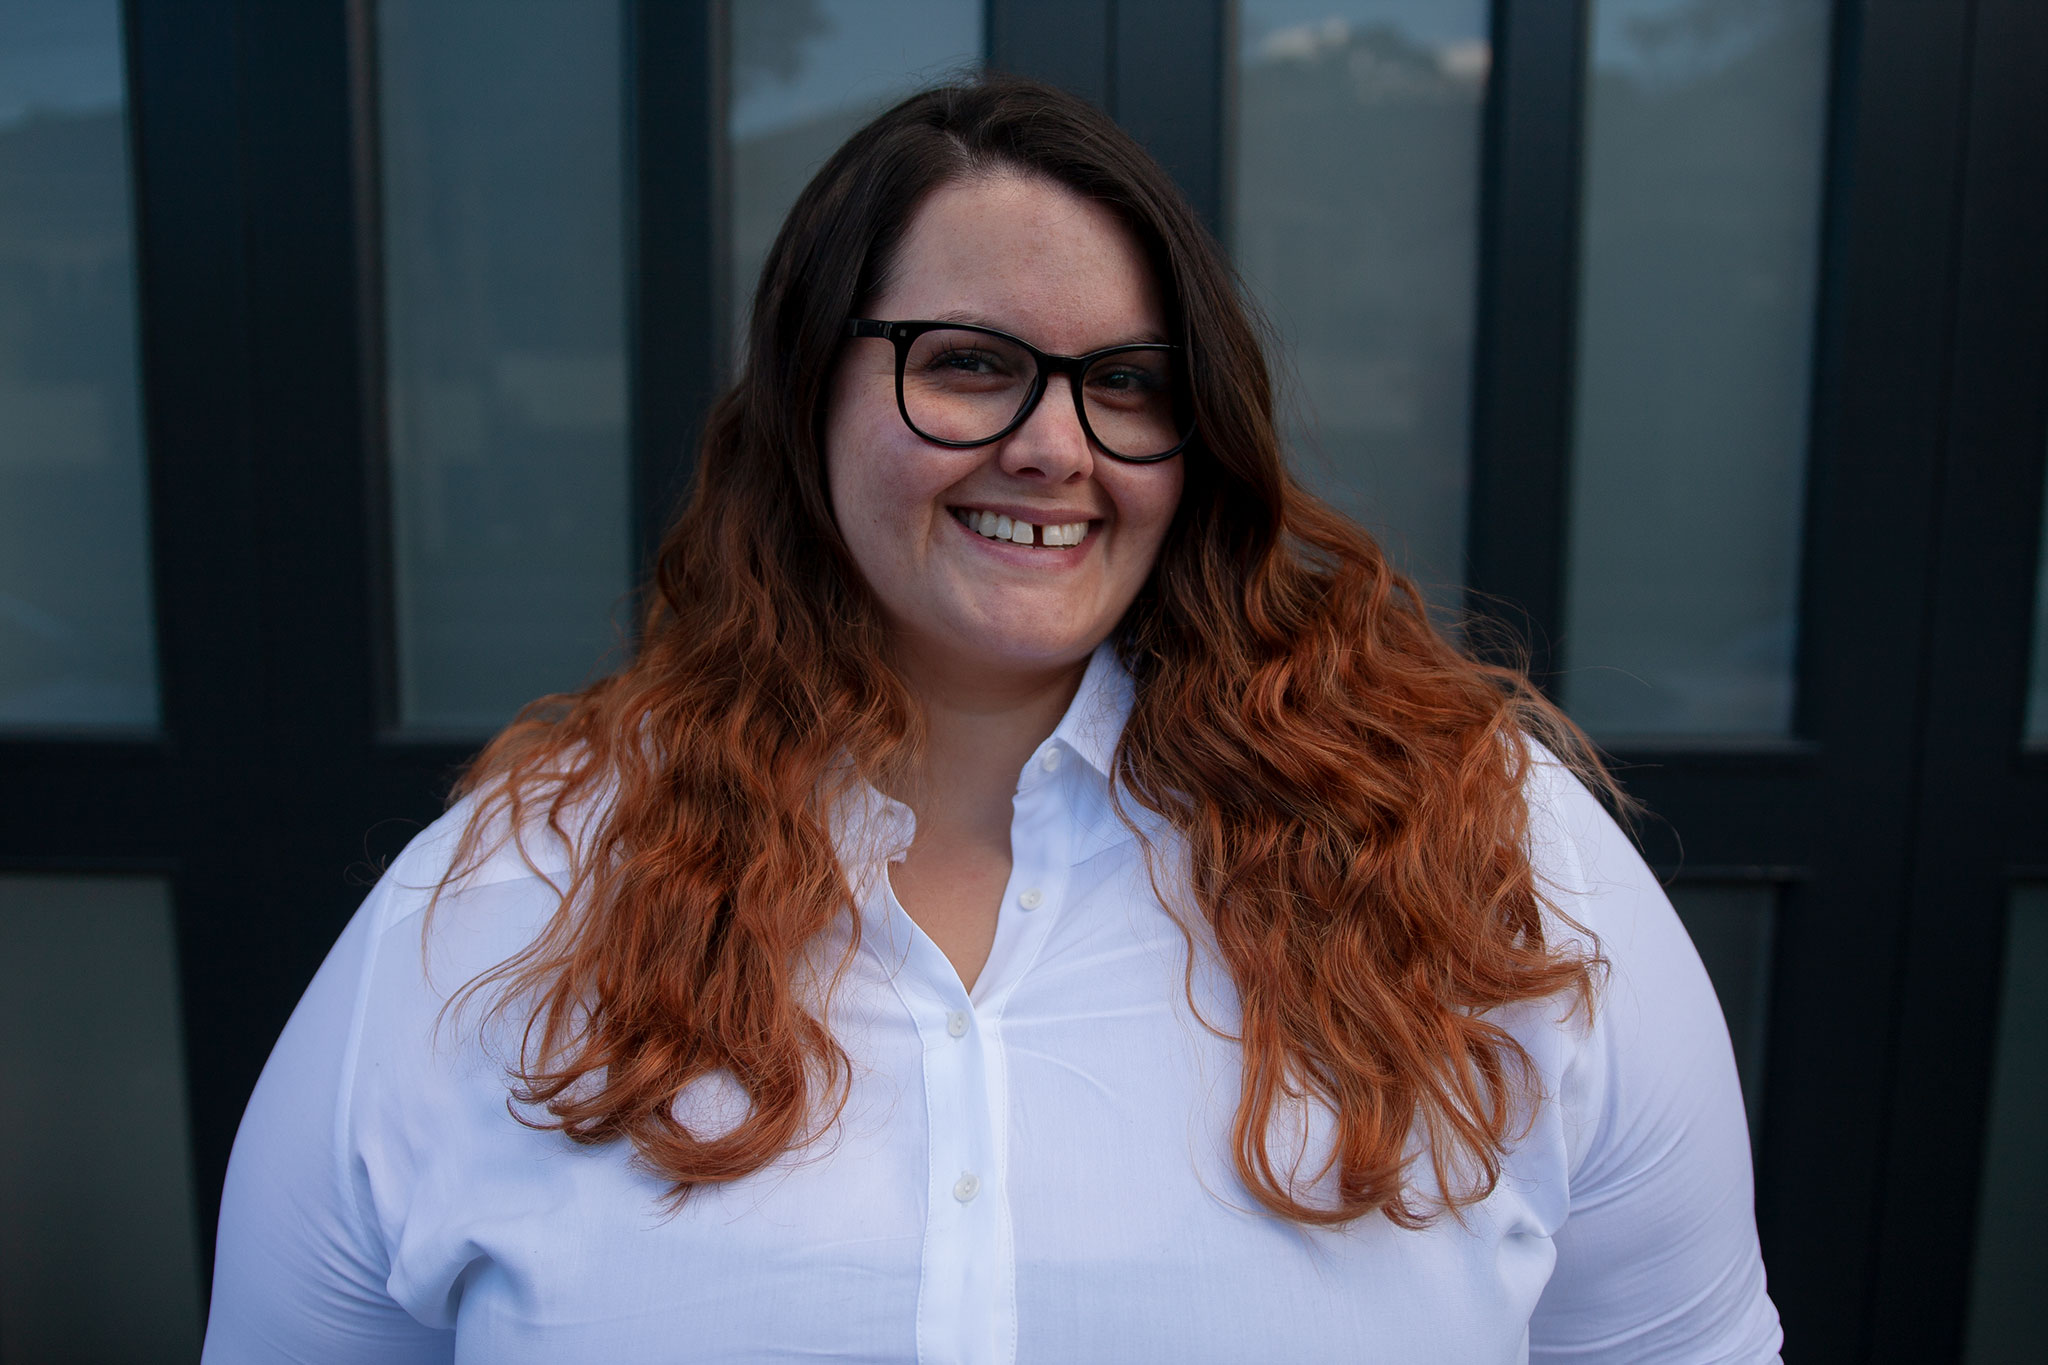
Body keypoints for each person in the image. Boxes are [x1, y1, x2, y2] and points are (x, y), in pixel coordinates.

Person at [202, 75, 1780, 1362]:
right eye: (968, 365)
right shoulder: (505, 903)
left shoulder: (1485, 854)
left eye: (1131, 384)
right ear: (809, 390)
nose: (1054, 446)